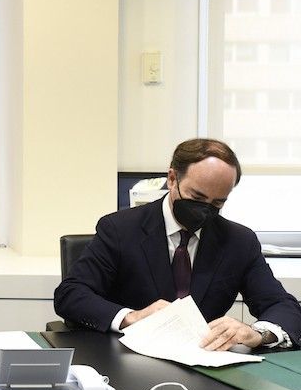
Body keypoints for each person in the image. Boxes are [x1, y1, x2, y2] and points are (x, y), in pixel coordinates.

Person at [55, 138, 301, 351]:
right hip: (126, 357)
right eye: (197, 197)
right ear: (172, 179)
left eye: (217, 203)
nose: (204, 210)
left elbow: (282, 306)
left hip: (203, 364)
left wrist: (258, 334)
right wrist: (132, 317)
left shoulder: (238, 241)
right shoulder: (120, 229)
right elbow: (71, 294)